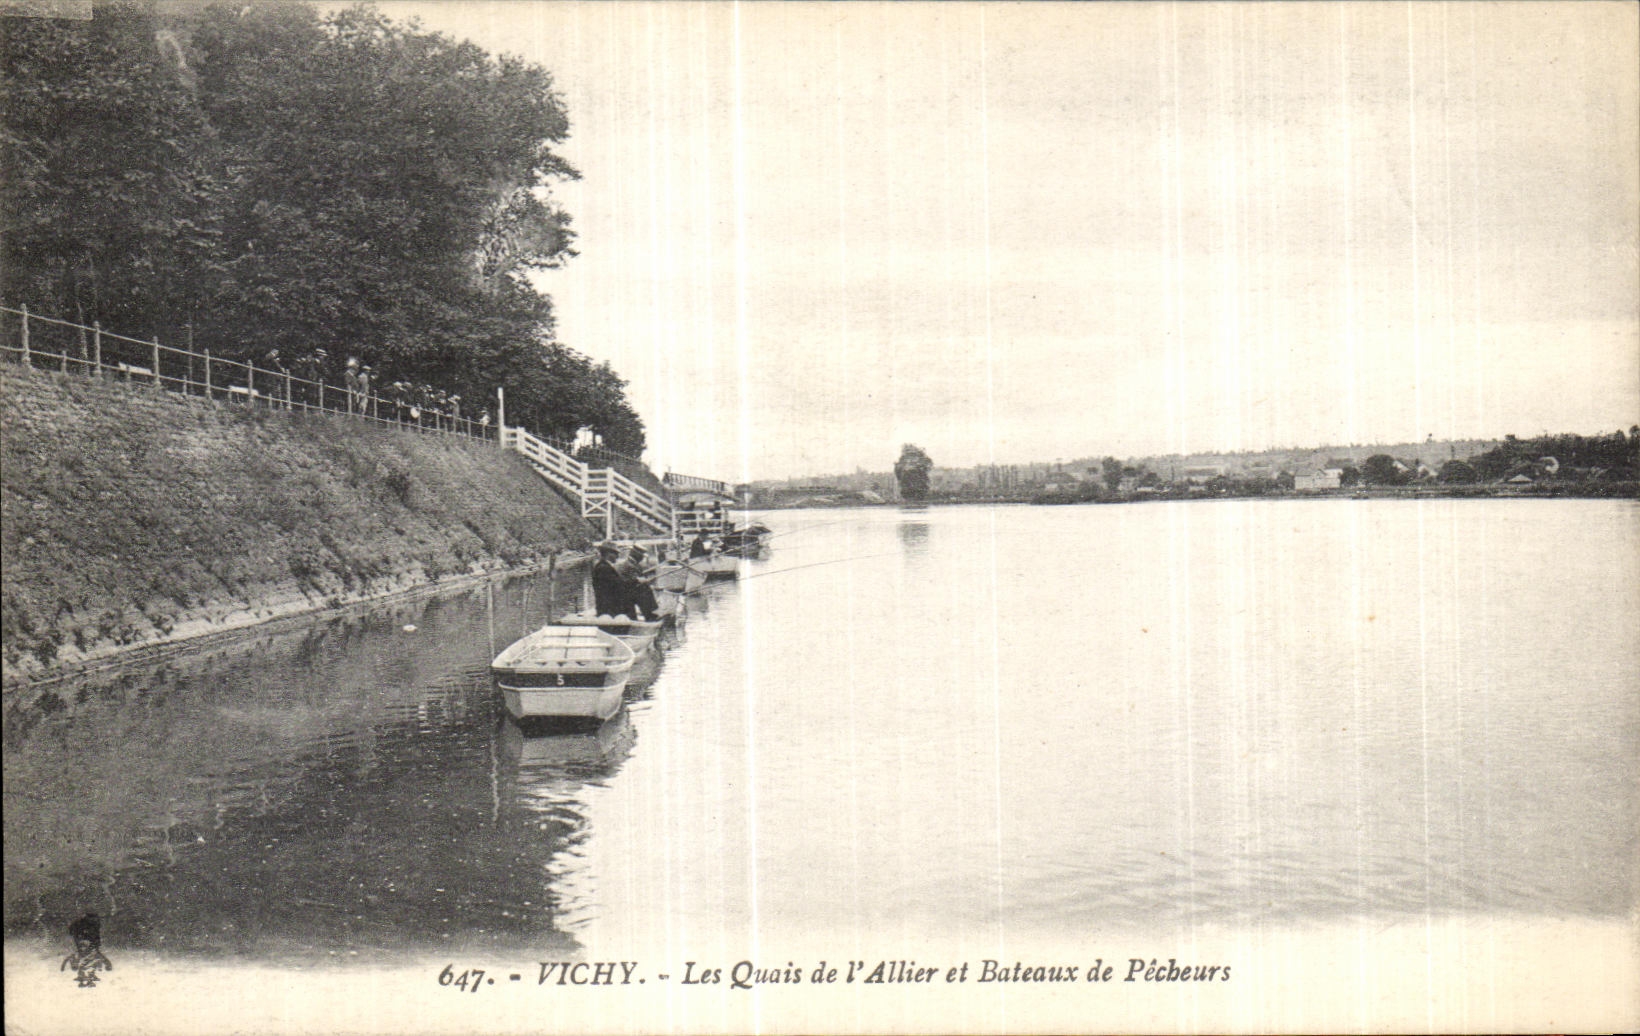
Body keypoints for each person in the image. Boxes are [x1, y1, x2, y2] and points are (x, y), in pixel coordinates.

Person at [591, 543, 628, 617]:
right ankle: (649, 617)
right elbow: (617, 586)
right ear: (608, 553)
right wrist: (633, 582)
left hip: (609, 605)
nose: (618, 557)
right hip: (609, 609)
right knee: (639, 591)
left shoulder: (604, 566)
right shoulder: (603, 568)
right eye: (616, 554)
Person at [625, 546, 661, 620]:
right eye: (641, 556)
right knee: (645, 590)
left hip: (630, 589)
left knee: (645, 589)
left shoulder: (634, 564)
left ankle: (650, 613)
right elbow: (634, 579)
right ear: (637, 555)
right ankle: (650, 614)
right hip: (627, 591)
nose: (642, 558)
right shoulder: (629, 565)